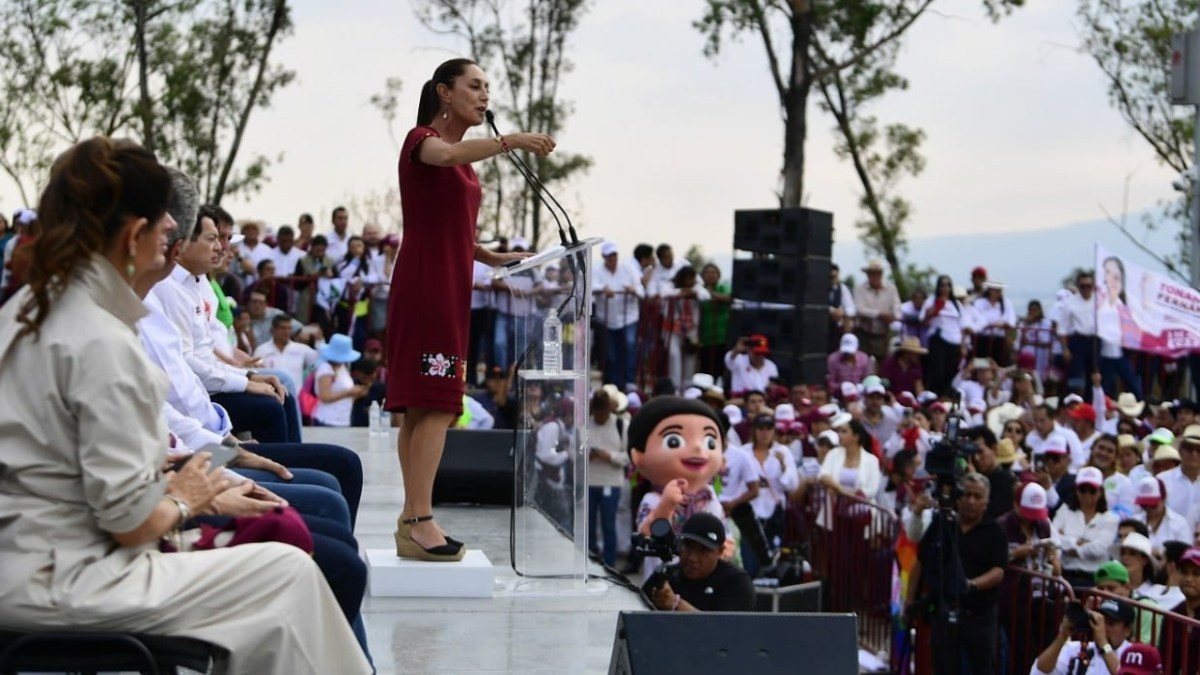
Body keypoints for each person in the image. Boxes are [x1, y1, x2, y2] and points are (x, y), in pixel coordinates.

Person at [0, 137, 369, 674]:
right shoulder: (98, 336)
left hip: (29, 558)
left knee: (296, 550)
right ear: (132, 235)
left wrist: (198, 478)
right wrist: (194, 496)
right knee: (289, 575)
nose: (172, 239)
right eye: (164, 228)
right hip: (67, 576)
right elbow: (128, 522)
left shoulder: (34, 306)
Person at [386, 58, 553, 562]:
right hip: (427, 284)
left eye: (487, 87)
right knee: (436, 401)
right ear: (444, 92)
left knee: (426, 404)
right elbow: (444, 155)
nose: (484, 95)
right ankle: (420, 519)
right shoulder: (422, 141)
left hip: (450, 279)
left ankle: (414, 517)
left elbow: (445, 221)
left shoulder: (462, 159)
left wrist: (487, 255)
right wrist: (513, 141)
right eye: (474, 86)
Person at [910, 473, 1008, 675]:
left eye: (978, 496)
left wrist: (970, 585)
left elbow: (998, 571)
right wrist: (909, 601)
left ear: (986, 501)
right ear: (958, 497)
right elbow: (920, 561)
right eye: (967, 495)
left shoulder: (994, 532)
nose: (971, 501)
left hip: (980, 616)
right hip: (943, 611)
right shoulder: (942, 524)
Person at [643, 513, 756, 612]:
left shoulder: (736, 582)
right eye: (688, 546)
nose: (693, 558)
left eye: (704, 550)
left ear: (720, 551)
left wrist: (676, 604)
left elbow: (723, 630)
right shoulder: (666, 577)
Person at [1054, 466, 1120, 589]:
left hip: (1094, 580)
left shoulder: (1110, 518)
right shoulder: (1064, 510)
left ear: (1100, 492)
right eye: (1082, 489)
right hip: (1066, 575)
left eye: (1092, 490)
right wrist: (1077, 542)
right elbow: (1054, 539)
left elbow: (1099, 549)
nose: (1087, 494)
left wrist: (1070, 546)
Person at [1031, 598, 1135, 675]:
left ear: (1127, 630)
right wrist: (1062, 636)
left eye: (1110, 623)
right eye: (1101, 621)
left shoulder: (1133, 654)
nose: (1103, 627)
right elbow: (1040, 670)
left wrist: (1103, 644)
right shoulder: (1075, 648)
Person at [586, 388, 629, 568]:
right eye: (597, 413)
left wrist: (608, 456)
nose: (600, 417)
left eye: (603, 413)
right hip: (589, 482)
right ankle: (590, 560)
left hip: (611, 483)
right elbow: (573, 452)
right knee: (588, 526)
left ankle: (610, 563)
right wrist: (586, 455)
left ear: (609, 410)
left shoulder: (621, 425)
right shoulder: (585, 424)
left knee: (608, 525)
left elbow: (628, 457)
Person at [594, 240, 644, 390]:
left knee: (630, 345)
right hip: (607, 319)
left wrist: (633, 290)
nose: (612, 258)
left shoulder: (628, 269)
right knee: (611, 353)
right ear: (604, 257)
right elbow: (590, 286)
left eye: (614, 255)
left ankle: (629, 381)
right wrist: (603, 288)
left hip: (629, 317)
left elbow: (641, 290)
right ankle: (615, 383)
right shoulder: (597, 271)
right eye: (609, 256)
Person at [1158, 547, 1200, 675]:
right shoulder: (1172, 615)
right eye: (1184, 572)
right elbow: (1165, 661)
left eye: (1196, 573)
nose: (1188, 578)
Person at [922, 274, 965, 397]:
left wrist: (962, 345)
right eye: (942, 285)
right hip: (939, 339)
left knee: (950, 370)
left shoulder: (956, 304)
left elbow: (961, 326)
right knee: (938, 370)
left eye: (948, 285)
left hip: (954, 341)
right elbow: (923, 320)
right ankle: (934, 394)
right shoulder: (931, 301)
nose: (945, 288)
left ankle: (945, 395)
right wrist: (935, 309)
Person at [313, 334, 368, 427]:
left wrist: (356, 394)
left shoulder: (342, 367)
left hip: (343, 419)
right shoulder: (325, 368)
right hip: (328, 420)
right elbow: (325, 397)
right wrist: (349, 392)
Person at [852, 259, 901, 362]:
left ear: (881, 274)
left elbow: (897, 309)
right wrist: (879, 314)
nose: (874, 276)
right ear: (868, 274)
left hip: (883, 334)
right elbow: (859, 309)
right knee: (862, 362)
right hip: (864, 333)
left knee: (883, 363)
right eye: (872, 273)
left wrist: (892, 317)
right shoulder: (860, 288)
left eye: (877, 273)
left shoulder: (891, 289)